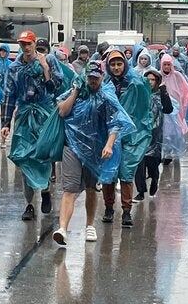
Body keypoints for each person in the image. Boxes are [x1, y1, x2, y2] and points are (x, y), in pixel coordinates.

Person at [51, 61, 134, 246]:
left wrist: (109, 145)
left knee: (90, 188)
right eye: (90, 78)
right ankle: (63, 229)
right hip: (71, 146)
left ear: (102, 77)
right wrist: (75, 92)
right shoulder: (77, 91)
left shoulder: (106, 96)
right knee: (69, 188)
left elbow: (115, 123)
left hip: (94, 149)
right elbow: (63, 111)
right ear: (85, 76)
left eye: (96, 78)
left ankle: (90, 225)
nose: (93, 82)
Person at [1, 30, 62, 221]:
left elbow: (57, 87)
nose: (26, 47)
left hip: (44, 115)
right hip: (24, 116)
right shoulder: (14, 68)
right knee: (24, 157)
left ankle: (45, 190)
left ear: (35, 44)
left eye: (29, 43)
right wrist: (5, 122)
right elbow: (8, 96)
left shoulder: (49, 61)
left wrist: (45, 69)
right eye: (22, 44)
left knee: (42, 156)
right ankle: (29, 203)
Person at [101, 50, 152, 227]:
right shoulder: (104, 83)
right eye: (113, 64)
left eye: (119, 64)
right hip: (108, 135)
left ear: (125, 64)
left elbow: (144, 109)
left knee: (126, 173)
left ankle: (126, 211)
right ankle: (108, 208)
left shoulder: (136, 83)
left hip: (130, 135)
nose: (116, 67)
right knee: (109, 172)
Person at [135, 69, 174, 199]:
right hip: (140, 133)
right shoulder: (140, 93)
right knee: (139, 163)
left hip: (155, 134)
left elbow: (168, 109)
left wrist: (164, 91)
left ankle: (154, 180)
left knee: (153, 163)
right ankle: (140, 191)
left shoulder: (160, 94)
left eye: (153, 80)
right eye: (148, 79)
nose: (150, 82)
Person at [159, 55, 188, 163]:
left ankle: (171, 150)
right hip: (163, 109)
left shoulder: (177, 75)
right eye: (164, 64)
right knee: (165, 131)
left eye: (168, 64)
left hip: (176, 109)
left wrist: (184, 102)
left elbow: (186, 90)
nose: (166, 67)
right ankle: (166, 152)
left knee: (174, 131)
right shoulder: (158, 75)